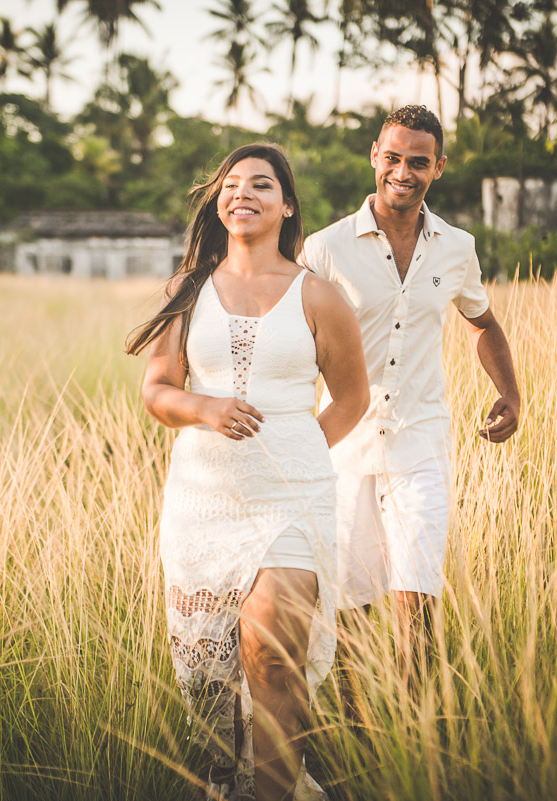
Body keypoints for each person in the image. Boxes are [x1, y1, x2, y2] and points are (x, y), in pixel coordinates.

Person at [126, 143, 369, 801]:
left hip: (293, 496)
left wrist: (299, 453)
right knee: (215, 680)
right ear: (218, 201)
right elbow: (156, 391)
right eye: (231, 185)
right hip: (203, 498)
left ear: (287, 205)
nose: (242, 194)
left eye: (261, 184)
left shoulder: (319, 295)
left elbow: (351, 398)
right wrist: (203, 405)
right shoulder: (189, 290)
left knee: (271, 656)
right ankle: (239, 781)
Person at [298, 105, 521, 681]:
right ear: (375, 154)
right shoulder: (324, 249)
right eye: (392, 157)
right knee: (349, 609)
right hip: (343, 449)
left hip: (421, 444)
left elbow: (483, 323)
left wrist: (511, 396)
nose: (402, 171)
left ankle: (416, 734)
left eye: (417, 162)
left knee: (416, 600)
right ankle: (357, 739)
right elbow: (292, 340)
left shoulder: (457, 247)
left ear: (438, 168)